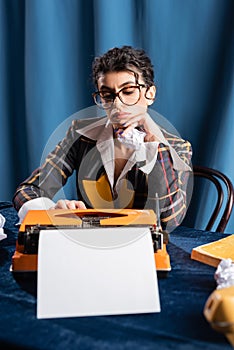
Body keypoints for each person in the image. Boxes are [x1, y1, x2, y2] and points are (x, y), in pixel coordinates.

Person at [13, 46, 192, 231]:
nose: (117, 104)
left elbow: (168, 221)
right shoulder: (81, 135)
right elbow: (27, 190)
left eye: (129, 91)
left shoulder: (178, 148)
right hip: (87, 244)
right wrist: (51, 211)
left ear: (150, 94)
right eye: (107, 95)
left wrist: (154, 144)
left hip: (144, 249)